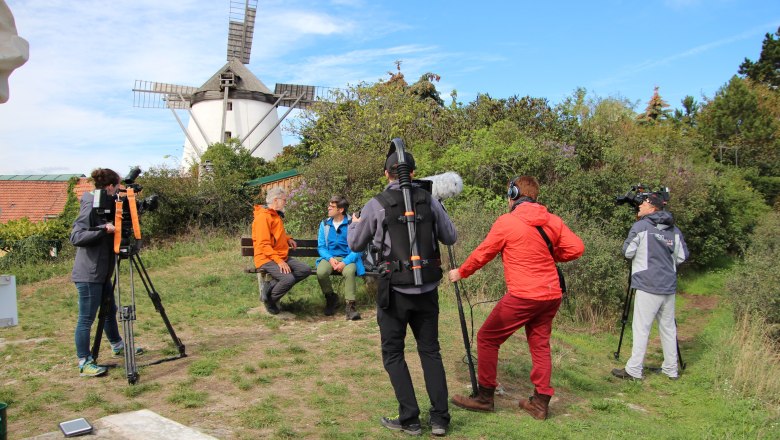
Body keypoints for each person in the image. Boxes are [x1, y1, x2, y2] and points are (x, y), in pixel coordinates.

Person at [448, 176, 584, 420]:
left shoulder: (507, 222)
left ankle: (484, 397)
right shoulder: (553, 221)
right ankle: (540, 404)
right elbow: (576, 248)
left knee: (487, 338)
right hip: (551, 295)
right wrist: (549, 255)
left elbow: (483, 253)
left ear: (513, 194)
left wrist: (461, 272)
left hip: (524, 295)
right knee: (540, 344)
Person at [348, 149, 456, 437]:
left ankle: (409, 419)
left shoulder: (376, 205)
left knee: (394, 354)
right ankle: (439, 420)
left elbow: (356, 245)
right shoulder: (429, 200)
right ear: (413, 170)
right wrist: (438, 209)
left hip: (394, 292)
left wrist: (355, 222)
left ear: (387, 173)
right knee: (430, 352)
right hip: (428, 291)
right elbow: (450, 237)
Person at [70, 168, 142, 377]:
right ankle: (84, 361)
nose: (118, 191)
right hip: (89, 274)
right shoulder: (90, 205)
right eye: (117, 187)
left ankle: (117, 345)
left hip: (102, 272)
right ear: (109, 187)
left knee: (110, 310)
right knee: (86, 318)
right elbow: (76, 236)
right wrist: (103, 229)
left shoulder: (106, 203)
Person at [611, 193, 688, 381]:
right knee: (668, 329)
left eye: (643, 203)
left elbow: (628, 252)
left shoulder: (641, 226)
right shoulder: (674, 230)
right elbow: (682, 256)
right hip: (668, 286)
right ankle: (671, 370)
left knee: (641, 328)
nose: (640, 205)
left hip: (647, 284)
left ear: (653, 208)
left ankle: (634, 370)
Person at [252, 187, 310, 315]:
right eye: (284, 200)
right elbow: (263, 244)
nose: (285, 202)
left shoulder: (275, 215)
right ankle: (270, 300)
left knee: (304, 269)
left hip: (279, 256)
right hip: (266, 258)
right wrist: (279, 261)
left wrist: (288, 239)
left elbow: (275, 235)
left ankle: (270, 287)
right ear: (276, 200)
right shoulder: (263, 217)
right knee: (287, 279)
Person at [316, 195, 365, 320]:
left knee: (349, 272)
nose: (328, 208)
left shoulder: (352, 223)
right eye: (329, 206)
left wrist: (345, 262)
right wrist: (330, 259)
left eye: (332, 207)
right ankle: (331, 298)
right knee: (321, 272)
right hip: (330, 258)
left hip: (348, 258)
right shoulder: (325, 224)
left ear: (341, 209)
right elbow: (321, 247)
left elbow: (358, 248)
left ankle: (351, 306)